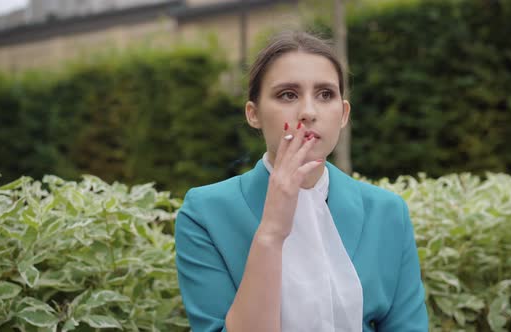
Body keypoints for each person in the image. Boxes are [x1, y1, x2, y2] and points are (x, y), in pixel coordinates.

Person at [175, 31, 428, 332]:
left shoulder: (387, 212)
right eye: (288, 95)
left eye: (325, 95)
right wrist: (271, 232)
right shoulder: (204, 214)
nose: (308, 112)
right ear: (253, 114)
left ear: (343, 113)